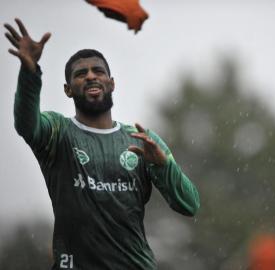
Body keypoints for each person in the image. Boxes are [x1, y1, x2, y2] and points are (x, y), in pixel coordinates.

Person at [4, 18, 200, 270]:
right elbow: (25, 124)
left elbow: (189, 204)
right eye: (80, 74)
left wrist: (163, 166)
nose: (90, 77)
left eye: (98, 71)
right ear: (68, 89)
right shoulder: (57, 132)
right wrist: (30, 74)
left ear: (112, 83)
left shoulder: (141, 140)